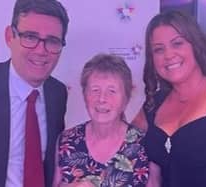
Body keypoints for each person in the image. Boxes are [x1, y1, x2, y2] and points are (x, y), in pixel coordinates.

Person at [0, 0, 69, 186]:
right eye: (31, 37)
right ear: (10, 36)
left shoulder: (57, 94)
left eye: (52, 41)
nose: (41, 50)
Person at [132, 10, 206, 187]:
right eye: (158, 49)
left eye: (177, 43)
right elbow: (121, 139)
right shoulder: (153, 104)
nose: (168, 55)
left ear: (196, 45)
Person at [53, 54, 149, 187]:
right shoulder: (66, 141)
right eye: (95, 90)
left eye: (112, 91)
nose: (102, 99)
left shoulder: (144, 145)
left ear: (126, 99)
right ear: (84, 95)